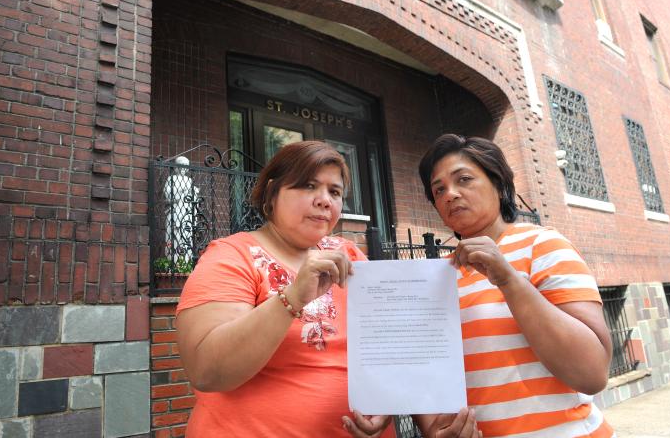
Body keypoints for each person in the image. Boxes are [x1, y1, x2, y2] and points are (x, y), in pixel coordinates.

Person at [177, 140, 480, 437]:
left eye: (334, 191)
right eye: (308, 186)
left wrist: (395, 410)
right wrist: (292, 297)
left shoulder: (348, 254)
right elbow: (207, 370)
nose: (325, 200)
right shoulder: (232, 255)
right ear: (272, 192)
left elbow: (395, 348)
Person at [418, 134, 614, 438]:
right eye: (438, 189)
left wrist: (508, 280)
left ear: (498, 185)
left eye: (464, 179)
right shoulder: (438, 276)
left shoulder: (543, 245)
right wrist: (434, 429)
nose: (450, 194)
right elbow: (427, 372)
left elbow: (592, 372)